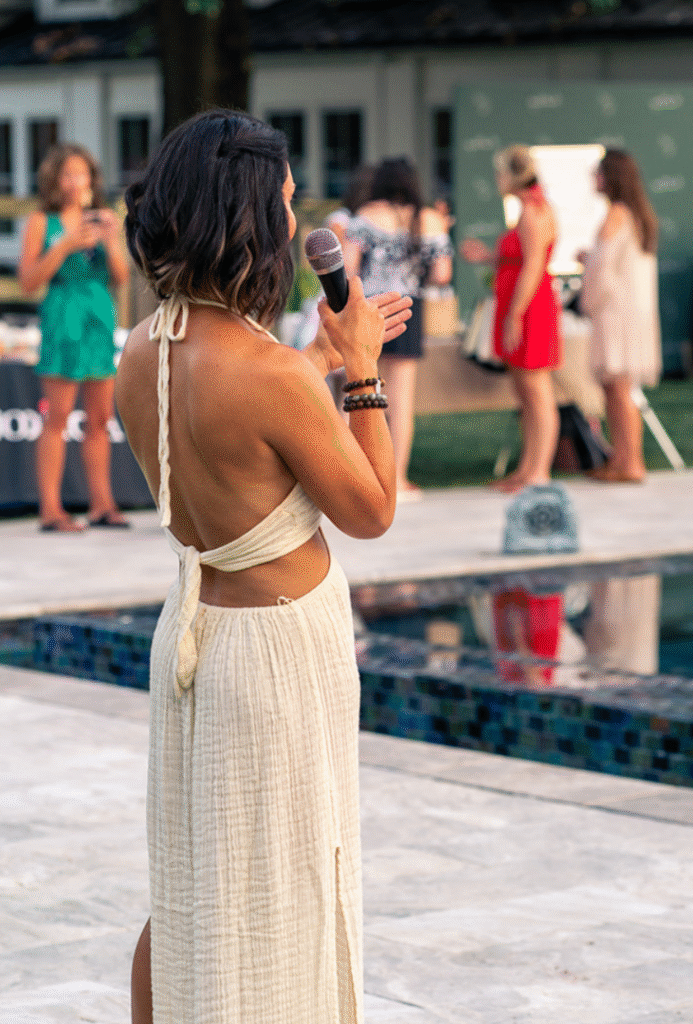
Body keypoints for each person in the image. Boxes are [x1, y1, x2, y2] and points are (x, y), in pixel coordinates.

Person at [114, 109, 411, 1024]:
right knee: (282, 886)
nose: (293, 221)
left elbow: (236, 441)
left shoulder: (143, 350)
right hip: (273, 661)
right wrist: (360, 371)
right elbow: (372, 509)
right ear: (246, 216)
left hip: (194, 639)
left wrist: (312, 359)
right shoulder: (270, 373)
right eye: (283, 201)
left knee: (191, 884)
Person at [18, 142, 131, 531]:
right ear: (54, 179)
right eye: (68, 174)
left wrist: (111, 239)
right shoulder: (42, 221)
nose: (76, 181)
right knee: (59, 415)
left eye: (82, 174)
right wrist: (66, 244)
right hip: (62, 316)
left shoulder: (99, 219)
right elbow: (28, 281)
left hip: (98, 316)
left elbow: (121, 278)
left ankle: (102, 505)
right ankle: (51, 509)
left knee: (100, 417)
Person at [340, 158, 453, 501]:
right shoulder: (428, 218)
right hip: (407, 308)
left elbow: (348, 268)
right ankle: (399, 479)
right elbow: (442, 275)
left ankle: (348, 475)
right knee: (401, 400)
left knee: (357, 389)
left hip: (370, 307)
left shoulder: (365, 216)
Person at [461, 145, 560, 493]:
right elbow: (520, 260)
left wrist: (514, 316)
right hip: (521, 305)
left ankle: (539, 472)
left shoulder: (534, 212)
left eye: (499, 173)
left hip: (530, 308)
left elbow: (533, 267)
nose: (496, 180)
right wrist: (488, 257)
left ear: (512, 175)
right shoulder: (528, 210)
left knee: (537, 391)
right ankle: (527, 469)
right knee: (525, 393)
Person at [578, 148, 661, 483]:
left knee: (619, 388)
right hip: (629, 310)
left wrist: (588, 279)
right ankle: (622, 458)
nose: (594, 180)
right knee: (617, 387)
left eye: (598, 173)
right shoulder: (637, 215)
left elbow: (603, 268)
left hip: (616, 313)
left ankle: (631, 462)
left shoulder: (617, 214)